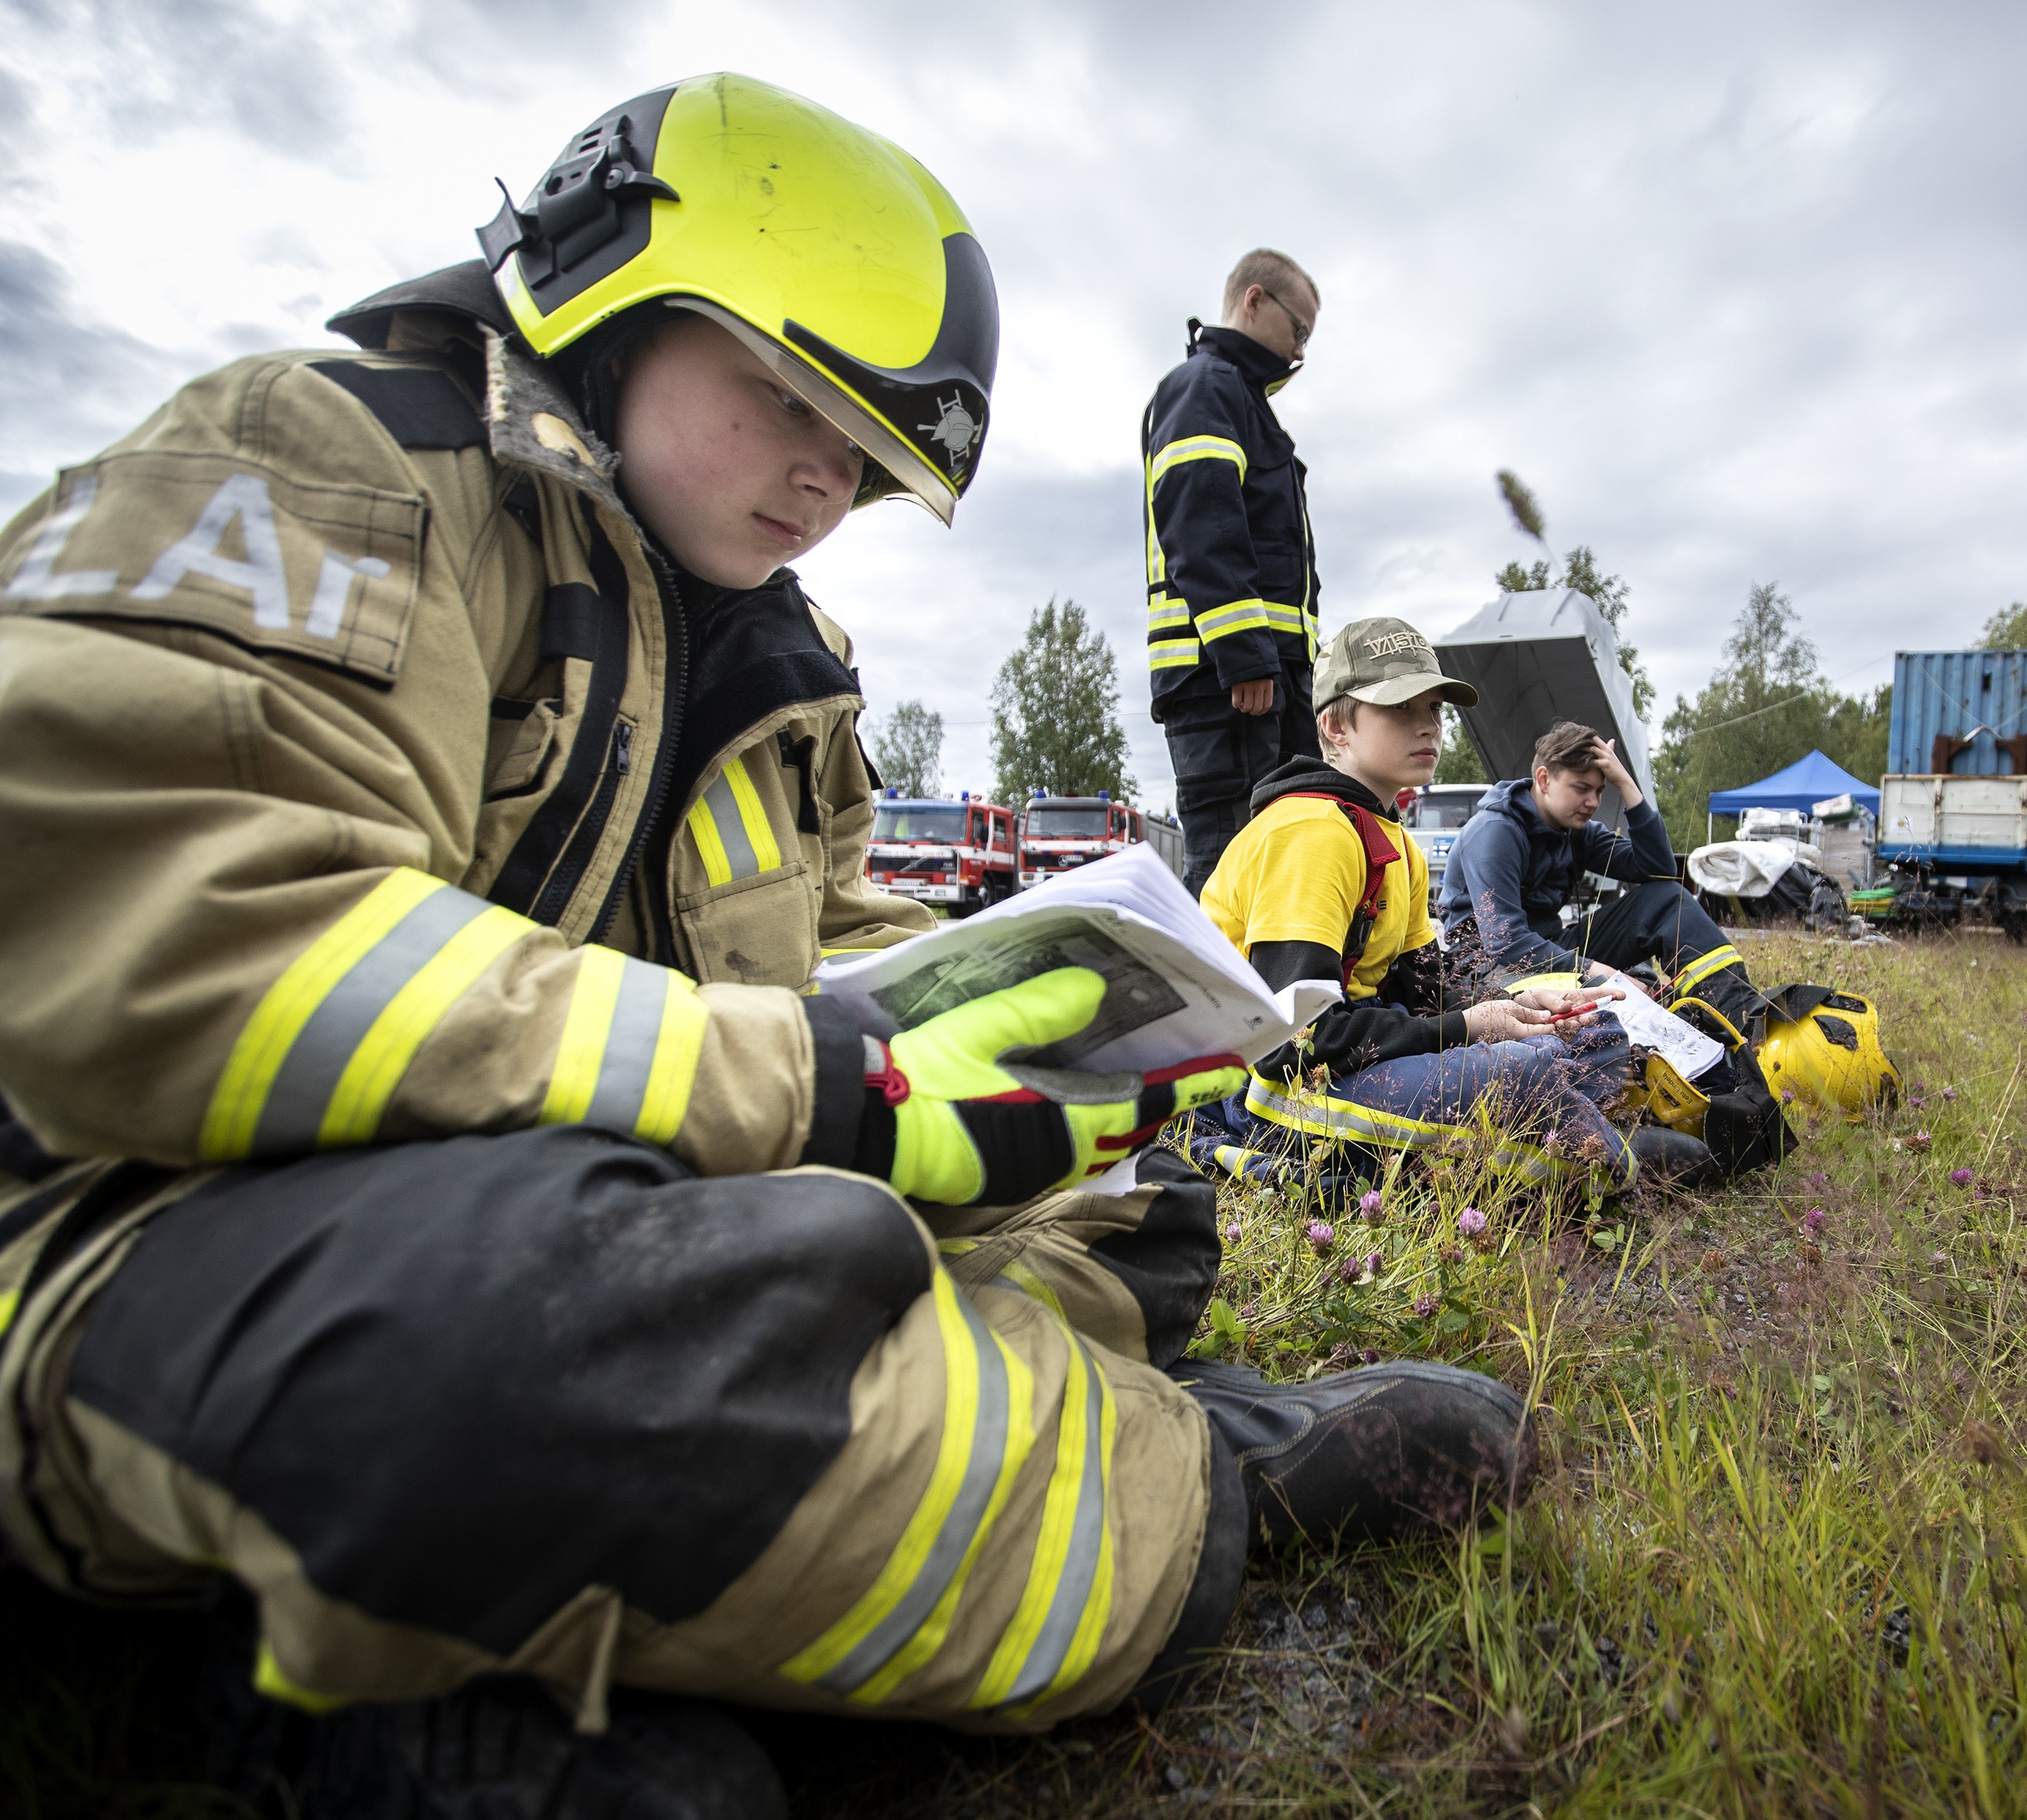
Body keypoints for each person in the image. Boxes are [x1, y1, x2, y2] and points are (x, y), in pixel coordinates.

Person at [0, 78, 1530, 1819]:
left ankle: (537, 1619)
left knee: (1135, 1216)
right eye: (792, 397)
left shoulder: (768, 645)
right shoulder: (326, 466)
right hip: (141, 1234)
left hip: (611, 1187)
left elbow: (828, 929)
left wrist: (1048, 1020)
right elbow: (186, 939)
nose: (826, 478)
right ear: (605, 293)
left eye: (869, 454)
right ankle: (1186, 1489)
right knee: (508, 1327)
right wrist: (819, 1083)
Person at [1185, 620, 1713, 1194]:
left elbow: (1425, 985)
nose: (1428, 726)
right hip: (1266, 1090)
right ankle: (1605, 1159)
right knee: (1521, 1070)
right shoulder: (1312, 832)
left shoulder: (1391, 838)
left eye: (1434, 708)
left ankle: (1536, 1130)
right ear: (1335, 726)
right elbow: (1296, 1041)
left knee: (1593, 1031)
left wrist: (1514, 999)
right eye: (1400, 708)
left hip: (1348, 1057)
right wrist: (1468, 1028)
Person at [1141, 250, 1325, 894]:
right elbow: (1200, 522)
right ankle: (1205, 995)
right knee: (1229, 869)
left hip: (1261, 676)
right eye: (1297, 329)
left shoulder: (1236, 398)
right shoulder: (1206, 388)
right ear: (1253, 301)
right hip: (1228, 680)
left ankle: (1272, 997)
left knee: (1278, 865)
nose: (1300, 353)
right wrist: (1243, 654)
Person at [1438, 722, 1777, 1054]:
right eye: (1581, 788)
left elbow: (1659, 872)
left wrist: (1626, 784)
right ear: (1544, 779)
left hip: (1547, 948)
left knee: (1667, 901)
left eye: (1600, 791)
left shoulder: (1577, 831)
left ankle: (1742, 1023)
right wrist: (1602, 971)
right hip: (1483, 968)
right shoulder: (1496, 831)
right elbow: (1506, 942)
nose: (1593, 802)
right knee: (1620, 986)